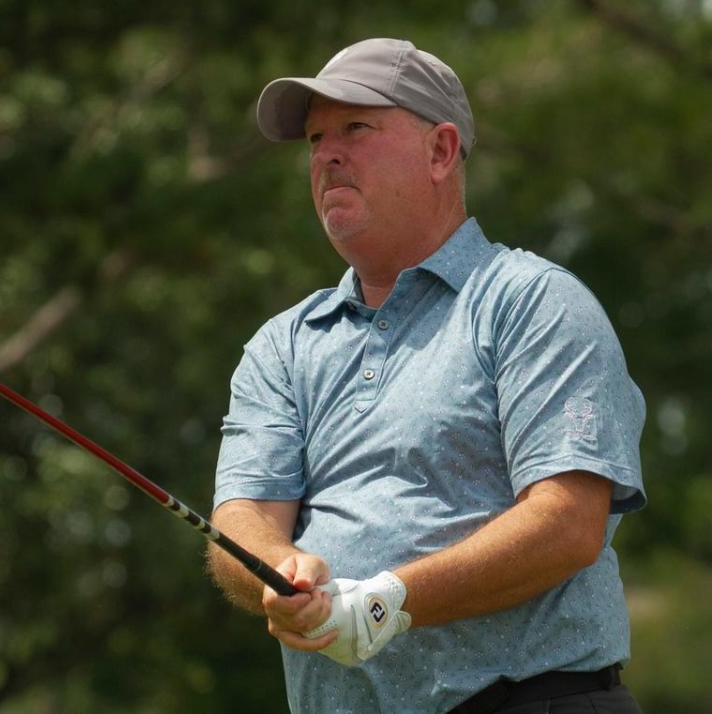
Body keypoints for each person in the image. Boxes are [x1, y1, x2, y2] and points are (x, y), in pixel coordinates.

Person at [206, 38, 646, 714]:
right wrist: (275, 570)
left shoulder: (529, 302)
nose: (326, 154)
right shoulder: (283, 345)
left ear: (441, 152)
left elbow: (569, 522)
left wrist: (388, 603)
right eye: (316, 138)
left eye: (356, 128)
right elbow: (244, 517)